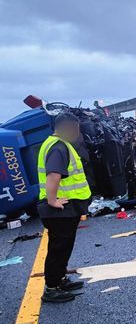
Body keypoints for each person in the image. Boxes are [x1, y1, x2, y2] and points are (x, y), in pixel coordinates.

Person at [37, 112, 92, 303]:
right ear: (66, 128)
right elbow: (54, 174)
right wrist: (52, 200)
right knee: (58, 248)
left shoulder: (59, 144)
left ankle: (60, 279)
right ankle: (51, 288)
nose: (77, 133)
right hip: (60, 208)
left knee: (64, 246)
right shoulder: (59, 146)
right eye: (75, 129)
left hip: (67, 207)